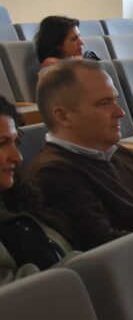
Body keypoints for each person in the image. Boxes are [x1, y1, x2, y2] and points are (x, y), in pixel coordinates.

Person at [25, 60, 133, 251]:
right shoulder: (53, 173)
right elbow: (106, 245)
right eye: (104, 103)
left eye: (115, 100)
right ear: (63, 116)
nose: (120, 111)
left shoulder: (119, 153)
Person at [0, 96, 78, 284]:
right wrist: (81, 264)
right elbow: (13, 300)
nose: (17, 157)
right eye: (2, 144)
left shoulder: (17, 197)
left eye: (15, 143)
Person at [34, 15, 101, 67]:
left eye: (79, 36)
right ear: (57, 44)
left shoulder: (80, 59)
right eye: (74, 39)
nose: (82, 42)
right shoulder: (50, 65)